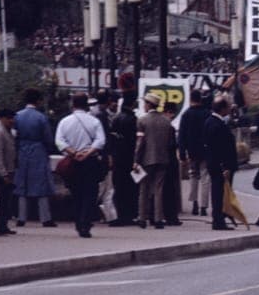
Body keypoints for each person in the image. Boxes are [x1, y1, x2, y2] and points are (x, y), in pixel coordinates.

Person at [54, 92, 108, 238]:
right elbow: (101, 141)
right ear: (86, 105)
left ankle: (79, 221)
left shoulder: (65, 121)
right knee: (90, 193)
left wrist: (73, 152)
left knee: (76, 193)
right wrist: (88, 152)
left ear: (72, 104)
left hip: (72, 162)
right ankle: (85, 222)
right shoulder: (94, 121)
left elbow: (59, 141)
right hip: (90, 161)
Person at [13, 88, 58, 228]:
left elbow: (14, 136)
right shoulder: (41, 117)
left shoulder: (17, 116)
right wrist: (48, 149)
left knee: (22, 184)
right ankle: (45, 218)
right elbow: (48, 138)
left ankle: (21, 217)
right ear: (38, 101)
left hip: (22, 150)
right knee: (41, 184)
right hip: (38, 151)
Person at [132, 92, 176, 229]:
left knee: (144, 189)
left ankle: (142, 217)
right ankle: (158, 219)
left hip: (146, 159)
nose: (144, 105)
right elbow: (170, 143)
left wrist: (136, 160)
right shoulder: (166, 121)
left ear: (149, 104)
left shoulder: (142, 121)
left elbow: (140, 143)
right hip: (163, 159)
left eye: (145, 103)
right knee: (158, 189)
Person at [204, 95, 239, 231]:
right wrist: (225, 166)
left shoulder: (211, 122)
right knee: (219, 193)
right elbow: (218, 147)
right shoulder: (216, 124)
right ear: (223, 108)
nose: (230, 109)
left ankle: (220, 218)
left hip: (215, 163)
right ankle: (218, 220)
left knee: (219, 192)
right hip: (220, 165)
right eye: (228, 107)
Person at [178, 89, 211, 216]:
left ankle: (194, 203)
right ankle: (204, 206)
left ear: (191, 99)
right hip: (205, 150)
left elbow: (181, 135)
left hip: (192, 151)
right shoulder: (207, 113)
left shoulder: (186, 114)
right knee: (205, 178)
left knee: (193, 176)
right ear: (201, 99)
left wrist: (182, 153)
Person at [108, 95, 139, 227]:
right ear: (132, 104)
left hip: (117, 156)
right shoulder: (133, 119)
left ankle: (119, 214)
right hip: (128, 157)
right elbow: (134, 140)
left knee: (118, 186)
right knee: (130, 187)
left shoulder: (116, 118)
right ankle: (129, 215)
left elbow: (111, 137)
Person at [161, 101, 183, 225]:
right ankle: (171, 217)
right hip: (169, 161)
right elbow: (171, 145)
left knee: (162, 190)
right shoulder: (169, 127)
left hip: (160, 161)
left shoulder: (160, 124)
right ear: (169, 112)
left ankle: (162, 214)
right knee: (170, 190)